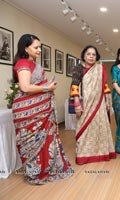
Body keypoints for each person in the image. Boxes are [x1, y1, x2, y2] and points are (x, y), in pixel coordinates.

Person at [12, 34, 73, 184]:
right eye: (36, 47)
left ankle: (47, 168)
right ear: (26, 48)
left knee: (46, 140)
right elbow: (25, 87)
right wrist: (47, 87)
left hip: (42, 112)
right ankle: (35, 172)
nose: (39, 50)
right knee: (31, 143)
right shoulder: (23, 63)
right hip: (29, 112)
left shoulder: (35, 64)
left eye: (40, 47)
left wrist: (48, 87)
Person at [70, 45, 116, 164]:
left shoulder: (99, 68)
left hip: (99, 104)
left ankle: (101, 152)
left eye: (93, 54)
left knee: (100, 128)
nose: (91, 57)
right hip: (85, 104)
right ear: (84, 56)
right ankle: (84, 154)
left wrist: (107, 100)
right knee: (84, 128)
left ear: (97, 57)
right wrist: (77, 104)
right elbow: (74, 86)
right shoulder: (78, 68)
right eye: (88, 54)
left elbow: (104, 85)